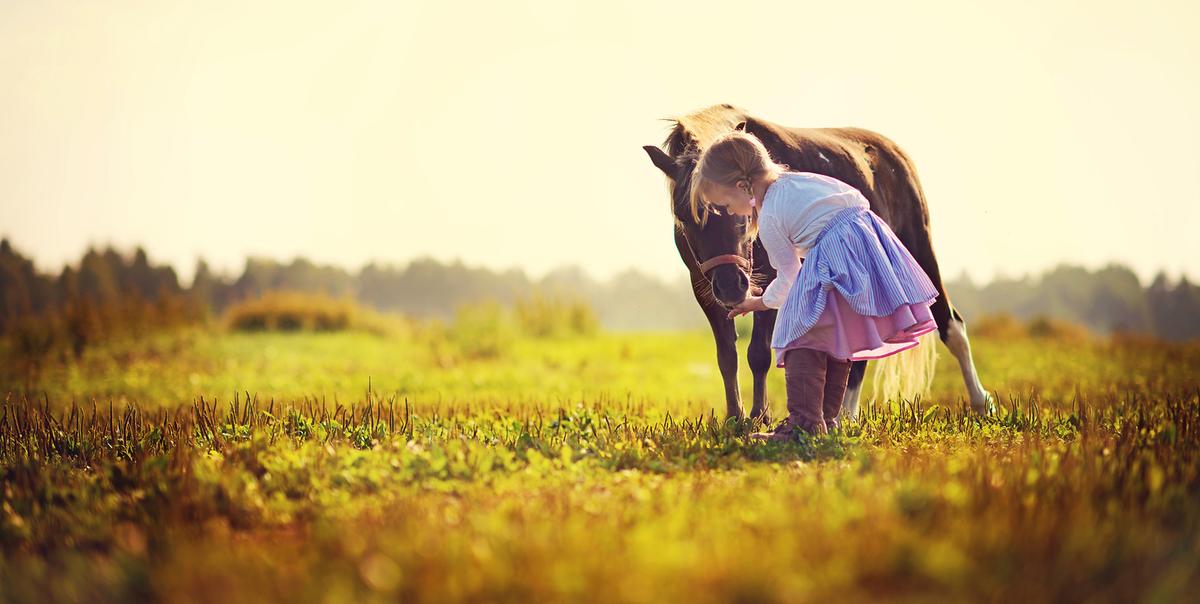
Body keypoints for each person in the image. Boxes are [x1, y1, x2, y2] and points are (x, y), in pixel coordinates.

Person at [690, 131, 939, 440]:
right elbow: (852, 199)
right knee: (830, 333)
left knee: (798, 329)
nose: (729, 213)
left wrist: (758, 302)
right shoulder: (797, 182)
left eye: (726, 204)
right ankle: (826, 420)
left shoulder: (770, 218)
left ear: (743, 187)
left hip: (838, 248)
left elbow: (789, 277)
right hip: (867, 240)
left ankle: (804, 424)